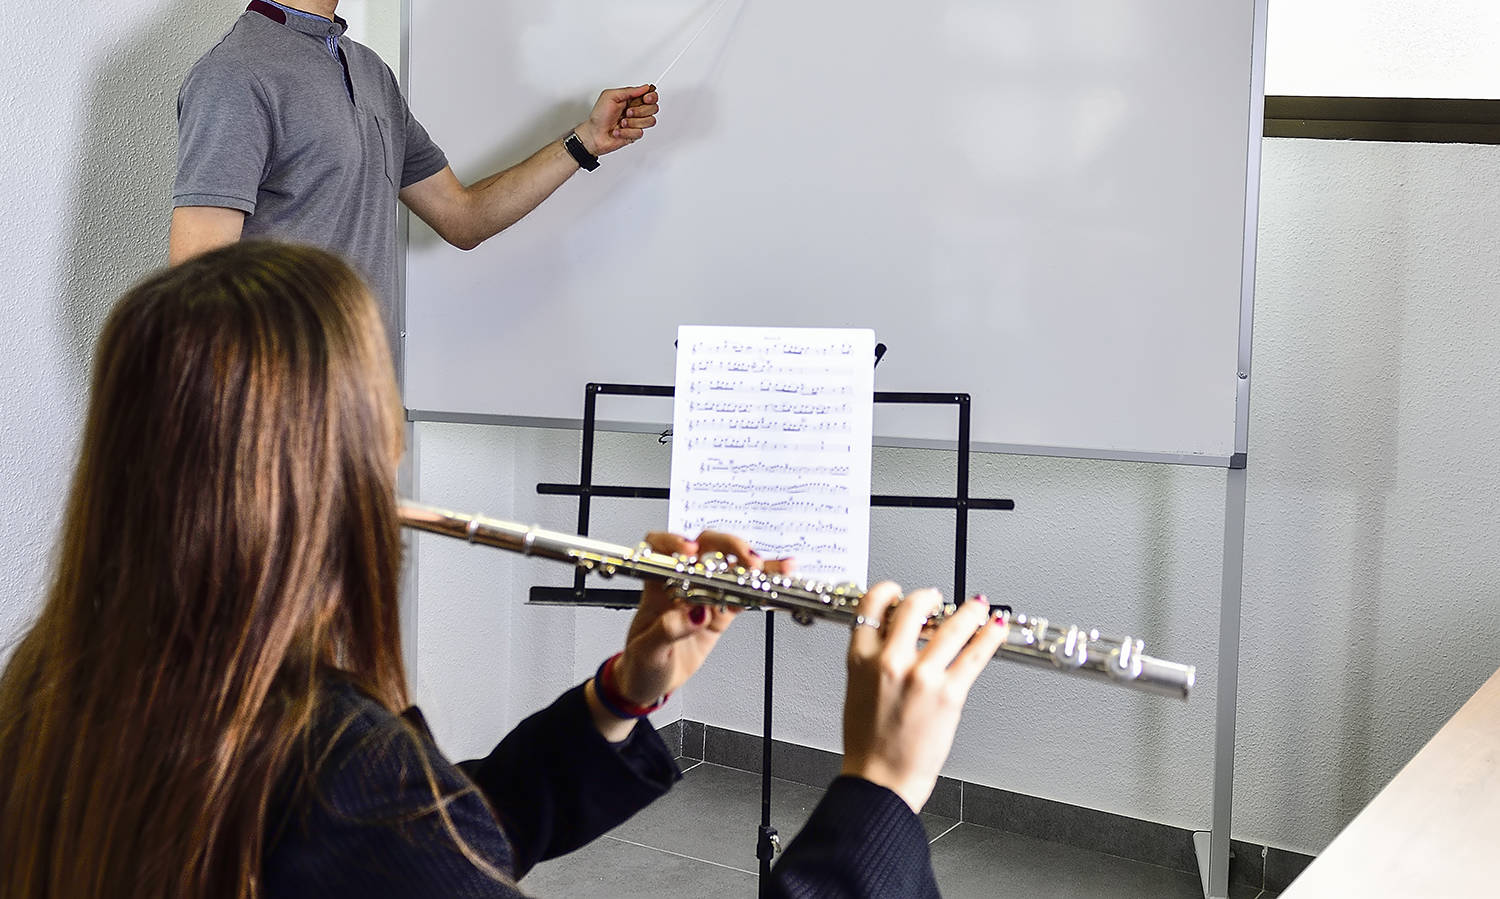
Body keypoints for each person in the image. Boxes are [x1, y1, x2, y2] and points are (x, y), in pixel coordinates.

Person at [0, 241, 1007, 898]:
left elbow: (426, 846)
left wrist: (622, 693)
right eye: (376, 411)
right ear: (313, 466)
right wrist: (880, 787)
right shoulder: (325, 758)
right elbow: (391, 836)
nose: (391, 444)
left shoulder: (48, 686)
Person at [170, 0, 659, 364]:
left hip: (366, 400)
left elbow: (464, 218)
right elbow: (198, 285)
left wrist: (585, 141)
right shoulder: (234, 73)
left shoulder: (368, 70)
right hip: (283, 416)